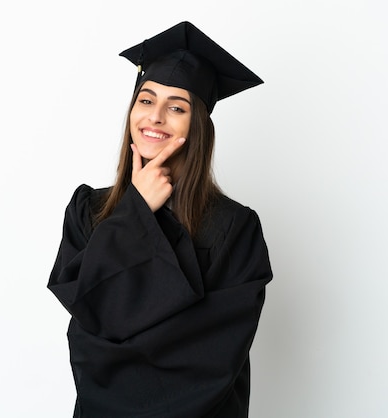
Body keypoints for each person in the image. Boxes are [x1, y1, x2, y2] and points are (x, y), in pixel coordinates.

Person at [48, 21, 273, 417]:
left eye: (176, 107)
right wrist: (136, 209)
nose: (155, 118)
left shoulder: (235, 229)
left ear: (197, 124)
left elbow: (212, 361)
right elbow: (85, 332)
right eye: (146, 100)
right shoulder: (88, 210)